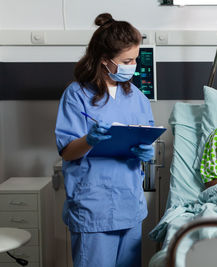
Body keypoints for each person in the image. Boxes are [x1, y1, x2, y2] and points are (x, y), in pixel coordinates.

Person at [55, 13, 153, 267]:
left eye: (135, 59)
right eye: (127, 60)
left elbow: (146, 135)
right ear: (104, 60)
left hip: (129, 204)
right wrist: (90, 139)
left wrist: (146, 150)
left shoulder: (137, 98)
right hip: (93, 205)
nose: (133, 66)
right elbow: (67, 152)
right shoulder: (76, 95)